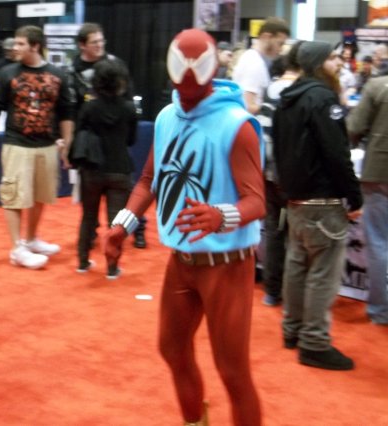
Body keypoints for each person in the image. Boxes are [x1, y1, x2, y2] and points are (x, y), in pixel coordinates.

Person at [104, 28, 265, 425]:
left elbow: (257, 201)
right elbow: (149, 180)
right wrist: (123, 223)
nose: (187, 81)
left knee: (232, 371)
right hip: (183, 259)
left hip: (228, 263)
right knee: (172, 350)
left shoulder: (236, 124)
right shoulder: (166, 117)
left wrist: (220, 215)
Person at [273, 41, 363, 370]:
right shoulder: (323, 98)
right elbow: (336, 153)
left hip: (296, 199)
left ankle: (293, 330)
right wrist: (353, 195)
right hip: (323, 201)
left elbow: (277, 151)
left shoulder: (286, 98)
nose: (339, 63)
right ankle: (314, 341)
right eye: (333, 57)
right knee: (323, 273)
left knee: (297, 266)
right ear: (317, 62)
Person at [0, 25, 74, 269]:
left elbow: (66, 112)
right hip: (17, 145)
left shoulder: (58, 75)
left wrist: (67, 145)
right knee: (14, 196)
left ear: (35, 46)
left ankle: (32, 239)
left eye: (20, 44)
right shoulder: (7, 74)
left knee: (40, 196)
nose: (14, 48)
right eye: (15, 43)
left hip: (47, 146)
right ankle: (17, 248)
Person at [70, 22, 146, 249]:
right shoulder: (73, 71)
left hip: (115, 138)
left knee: (126, 196)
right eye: (94, 42)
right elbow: (72, 106)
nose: (100, 45)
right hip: (90, 142)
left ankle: (138, 228)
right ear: (82, 45)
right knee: (89, 199)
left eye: (102, 41)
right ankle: (90, 233)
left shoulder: (115, 64)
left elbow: (130, 98)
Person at [73, 59, 137, 278]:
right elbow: (131, 140)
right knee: (116, 222)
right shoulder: (129, 108)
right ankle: (112, 268)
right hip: (120, 169)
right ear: (121, 82)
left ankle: (82, 262)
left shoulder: (89, 108)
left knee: (88, 217)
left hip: (92, 169)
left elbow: (79, 134)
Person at [257, 41, 303, 306]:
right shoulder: (303, 91)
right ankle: (290, 293)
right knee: (296, 234)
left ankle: (272, 290)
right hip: (291, 175)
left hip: (271, 172)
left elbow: (264, 134)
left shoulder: (271, 90)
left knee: (274, 231)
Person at [347, 76, 388, 325]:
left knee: (379, 242)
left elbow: (353, 127)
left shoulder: (378, 86)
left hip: (381, 172)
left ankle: (381, 311)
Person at [232, 17, 290, 114]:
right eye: (280, 44)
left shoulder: (254, 59)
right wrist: (274, 108)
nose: (281, 49)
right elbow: (247, 106)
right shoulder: (254, 62)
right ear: (266, 37)